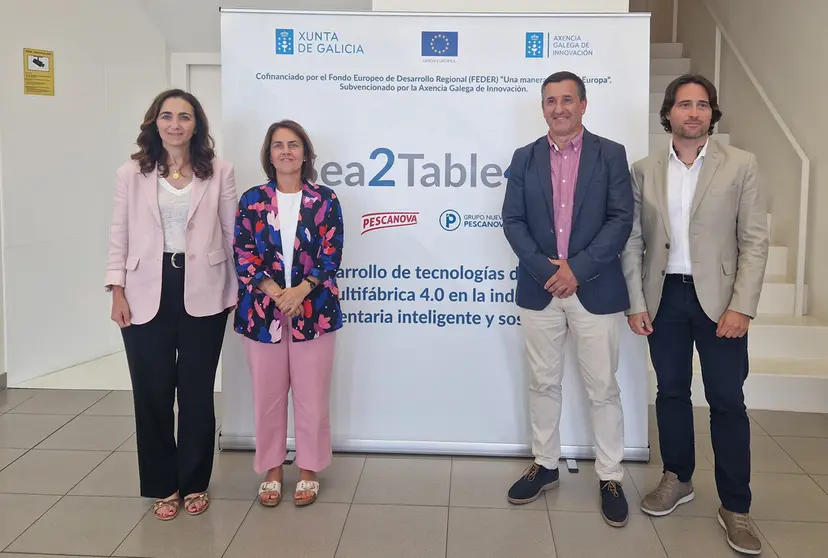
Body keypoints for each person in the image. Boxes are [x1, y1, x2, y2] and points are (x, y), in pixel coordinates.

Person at [620, 74, 768, 555]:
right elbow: (634, 241)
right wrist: (637, 302)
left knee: (727, 399)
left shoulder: (740, 164)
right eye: (684, 104)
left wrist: (742, 306)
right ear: (668, 113)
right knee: (671, 392)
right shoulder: (644, 169)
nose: (693, 112)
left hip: (721, 303)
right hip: (665, 299)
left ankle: (736, 506)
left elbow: (754, 241)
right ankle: (677, 478)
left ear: (712, 113)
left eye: (702, 105)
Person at [501, 71, 634, 527]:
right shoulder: (524, 157)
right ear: (543, 108)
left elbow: (620, 219)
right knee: (543, 382)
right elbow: (512, 220)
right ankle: (545, 465)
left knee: (603, 388)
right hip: (540, 291)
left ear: (583, 104)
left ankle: (611, 476)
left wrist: (576, 270)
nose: (559, 108)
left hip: (593, 287)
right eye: (551, 101)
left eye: (567, 100)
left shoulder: (611, 154)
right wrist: (547, 271)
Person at [105, 89, 237, 520]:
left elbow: (234, 235)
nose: (175, 124)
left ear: (196, 124)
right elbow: (119, 233)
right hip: (146, 288)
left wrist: (235, 288)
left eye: (184, 116)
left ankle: (195, 481)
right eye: (167, 116)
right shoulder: (132, 173)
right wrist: (117, 289)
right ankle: (163, 484)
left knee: (197, 392)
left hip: (205, 287)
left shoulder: (219, 170)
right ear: (154, 123)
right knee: (152, 391)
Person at [233, 119, 344, 508]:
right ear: (269, 154)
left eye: (293, 144)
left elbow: (332, 253)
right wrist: (276, 292)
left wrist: (300, 291)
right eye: (278, 145)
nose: (286, 151)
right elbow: (243, 254)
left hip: (315, 311)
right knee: (268, 396)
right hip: (263, 313)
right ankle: (273, 468)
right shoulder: (251, 200)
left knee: (312, 396)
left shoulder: (325, 200)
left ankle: (309, 468)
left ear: (305, 153)